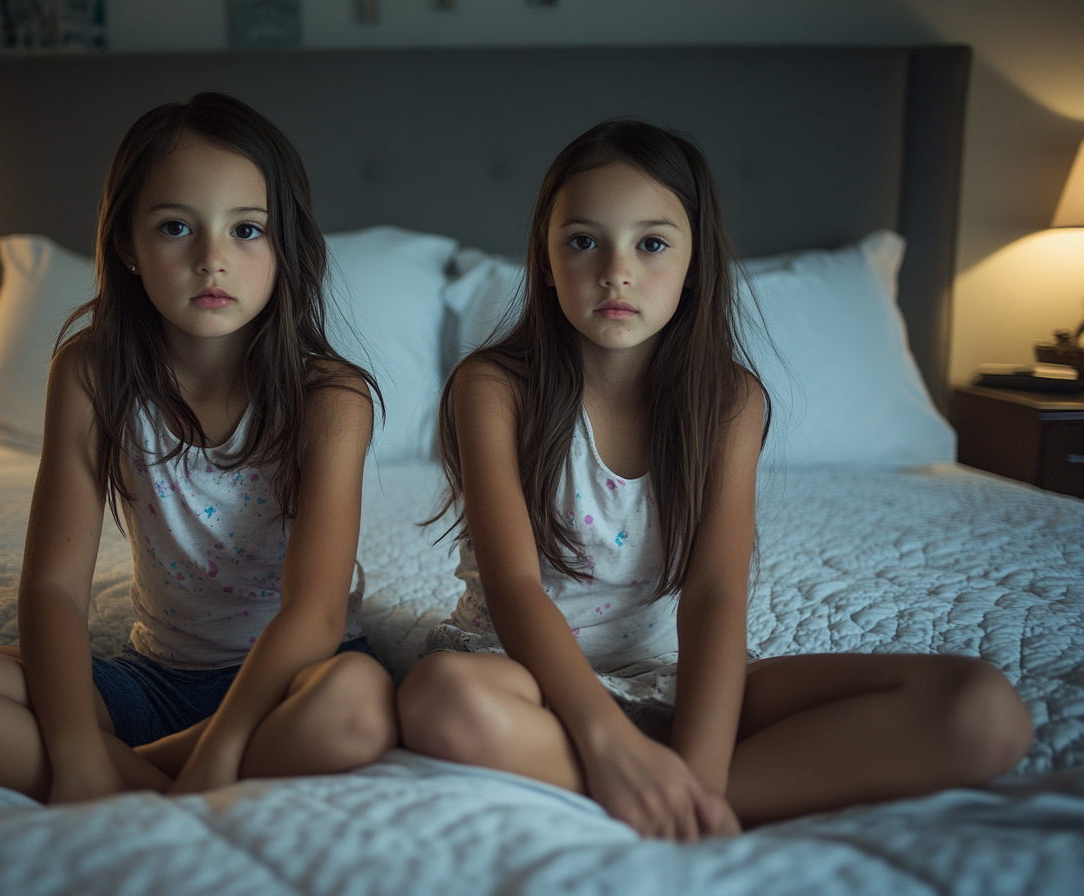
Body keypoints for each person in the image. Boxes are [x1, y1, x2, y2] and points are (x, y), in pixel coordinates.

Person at [396, 119, 1033, 840]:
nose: (616, 271)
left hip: (672, 676)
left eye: (652, 243)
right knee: (440, 699)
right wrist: (609, 738)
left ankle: (682, 799)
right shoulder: (494, 388)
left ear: (696, 261)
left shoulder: (730, 402)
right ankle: (649, 784)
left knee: (984, 710)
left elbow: (714, 593)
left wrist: (698, 764)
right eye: (582, 241)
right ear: (543, 258)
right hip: (526, 679)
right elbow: (514, 588)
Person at [0, 93, 398, 804]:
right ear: (128, 245)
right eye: (174, 227)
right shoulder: (92, 376)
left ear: (286, 244)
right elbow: (52, 589)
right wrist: (74, 749)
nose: (210, 259)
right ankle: (121, 779)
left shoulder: (330, 398)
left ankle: (140, 782)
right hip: (153, 680)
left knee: (359, 707)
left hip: (293, 680)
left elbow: (314, 615)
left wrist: (218, 753)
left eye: (246, 229)